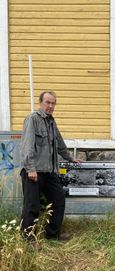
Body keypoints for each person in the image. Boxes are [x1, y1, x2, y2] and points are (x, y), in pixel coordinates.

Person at [20, 91, 77, 242]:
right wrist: (30, 168)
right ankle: (29, 239)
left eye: (53, 103)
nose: (50, 106)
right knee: (32, 206)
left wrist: (70, 158)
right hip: (34, 171)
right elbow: (27, 146)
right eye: (47, 102)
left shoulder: (52, 122)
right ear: (40, 103)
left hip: (49, 172)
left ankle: (52, 235)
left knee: (58, 200)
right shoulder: (32, 119)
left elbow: (60, 143)